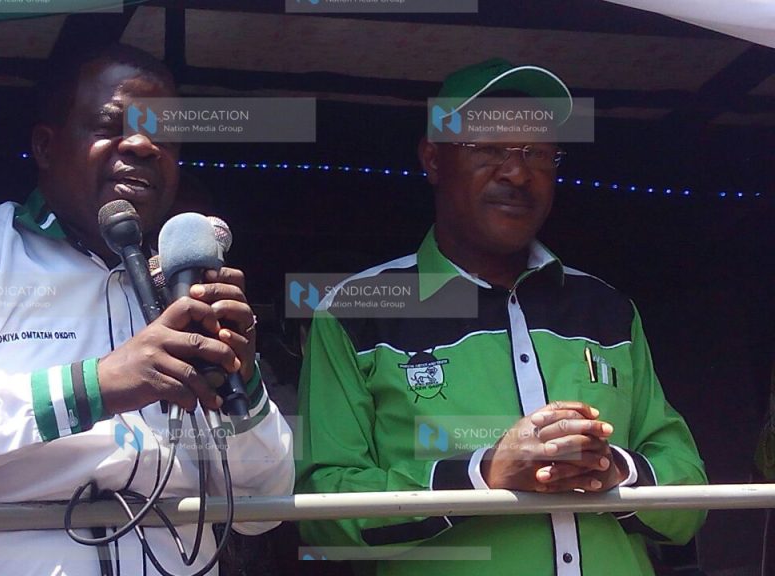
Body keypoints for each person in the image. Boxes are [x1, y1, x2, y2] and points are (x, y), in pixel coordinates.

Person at [0, 43, 294, 576]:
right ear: (46, 147)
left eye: (163, 136)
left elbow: (264, 505)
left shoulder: (186, 287)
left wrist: (242, 385)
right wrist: (92, 387)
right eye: (110, 125)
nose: (142, 144)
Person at [296, 58, 706, 576]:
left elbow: (692, 492)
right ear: (433, 158)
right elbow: (321, 511)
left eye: (537, 153)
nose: (517, 172)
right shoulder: (359, 312)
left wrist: (613, 469)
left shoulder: (608, 310)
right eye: (488, 148)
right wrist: (483, 474)